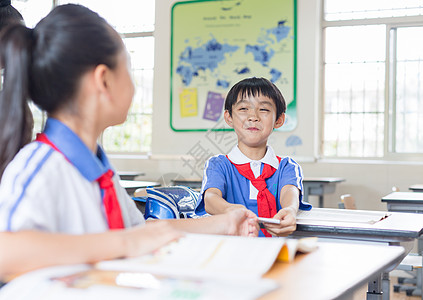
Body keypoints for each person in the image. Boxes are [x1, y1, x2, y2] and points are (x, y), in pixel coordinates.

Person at [0, 4, 258, 279]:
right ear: (104, 80)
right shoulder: (40, 169)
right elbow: (6, 251)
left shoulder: (99, 172)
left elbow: (142, 233)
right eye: (128, 68)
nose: (134, 86)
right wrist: (125, 243)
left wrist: (227, 223)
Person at [198, 77, 311, 237]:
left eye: (263, 110)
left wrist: (290, 210)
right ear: (229, 117)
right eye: (243, 108)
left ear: (279, 120)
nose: (253, 116)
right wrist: (229, 209)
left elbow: (289, 193)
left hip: (276, 251)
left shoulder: (287, 166)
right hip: (231, 251)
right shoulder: (218, 165)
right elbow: (210, 198)